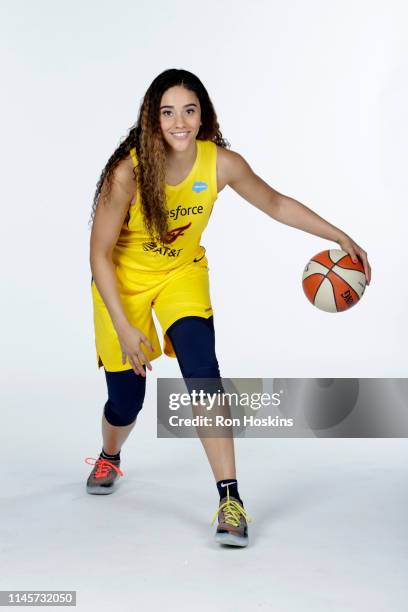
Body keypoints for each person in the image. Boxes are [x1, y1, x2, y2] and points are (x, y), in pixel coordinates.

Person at [84, 68, 371, 548]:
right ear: (152, 120)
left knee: (203, 372)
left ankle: (229, 498)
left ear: (203, 116)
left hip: (181, 275)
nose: (179, 121)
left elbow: (276, 203)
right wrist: (121, 323)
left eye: (189, 111)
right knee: (126, 400)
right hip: (122, 285)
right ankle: (110, 454)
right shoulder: (127, 174)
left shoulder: (219, 164)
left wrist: (338, 235)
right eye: (168, 112)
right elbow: (98, 254)